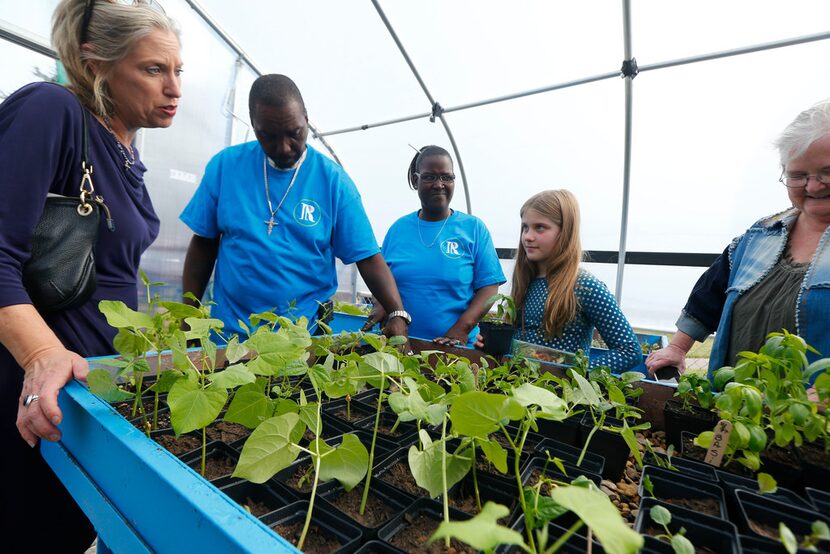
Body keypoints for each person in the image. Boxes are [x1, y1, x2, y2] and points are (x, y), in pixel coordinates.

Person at [0, 0, 182, 549]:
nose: (174, 88)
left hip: (84, 395)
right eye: (153, 70)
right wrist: (41, 356)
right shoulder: (50, 110)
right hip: (30, 395)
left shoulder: (123, 147)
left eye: (178, 71)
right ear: (95, 62)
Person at [180, 74, 410, 339]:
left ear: (307, 120)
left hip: (302, 339)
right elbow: (204, 244)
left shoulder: (333, 181)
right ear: (254, 126)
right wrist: (189, 318)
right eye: (269, 136)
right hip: (228, 336)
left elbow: (367, 257)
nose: (285, 147)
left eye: (294, 133)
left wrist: (396, 312)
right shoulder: (225, 167)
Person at [646, 100, 830, 379]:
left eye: (827, 171)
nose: (813, 185)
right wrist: (677, 347)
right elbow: (710, 293)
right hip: (733, 404)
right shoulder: (761, 234)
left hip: (813, 418)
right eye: (798, 175)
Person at [478, 190, 641, 372]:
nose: (527, 236)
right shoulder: (527, 281)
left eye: (540, 227)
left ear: (565, 232)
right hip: (518, 387)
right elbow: (523, 342)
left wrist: (574, 376)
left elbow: (629, 351)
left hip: (560, 397)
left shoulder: (583, 286)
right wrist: (494, 344)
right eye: (525, 227)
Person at [364, 145, 506, 346]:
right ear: (416, 180)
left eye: (447, 177)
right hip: (401, 347)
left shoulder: (473, 228)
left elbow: (489, 287)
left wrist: (462, 328)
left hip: (454, 350)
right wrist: (381, 305)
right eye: (430, 177)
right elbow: (383, 277)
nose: (439, 184)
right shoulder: (399, 229)